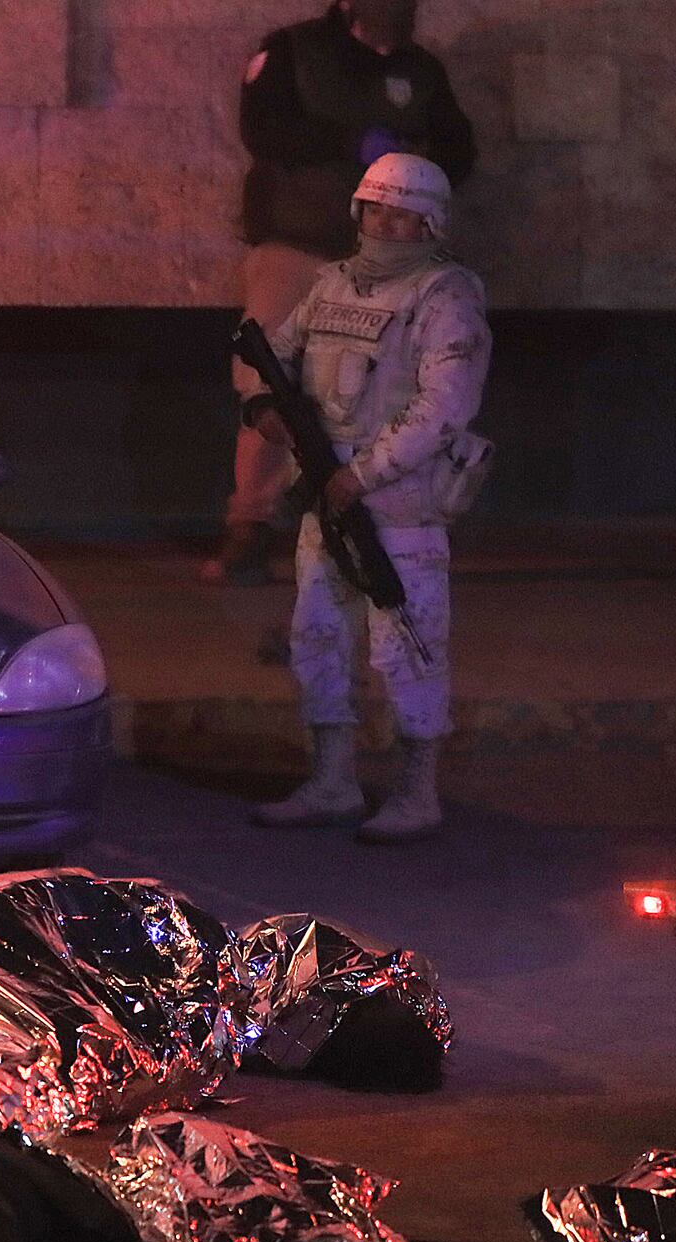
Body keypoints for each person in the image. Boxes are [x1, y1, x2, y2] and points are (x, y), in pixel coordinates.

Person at [245, 153, 494, 843]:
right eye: (377, 208)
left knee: (408, 644)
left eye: (405, 213)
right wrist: (265, 408)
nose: (388, 223)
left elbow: (444, 407)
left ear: (431, 224)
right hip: (327, 493)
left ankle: (418, 793)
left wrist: (366, 473)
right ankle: (332, 782)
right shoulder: (331, 287)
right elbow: (278, 354)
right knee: (318, 636)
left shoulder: (445, 296)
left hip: (399, 500)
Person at [209, 0, 476, 586]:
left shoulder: (420, 69)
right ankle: (251, 524)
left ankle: (371, 525)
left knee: (385, 393)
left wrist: (411, 169)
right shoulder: (294, 52)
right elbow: (265, 129)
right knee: (269, 388)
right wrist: (356, 143)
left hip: (384, 262)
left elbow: (459, 150)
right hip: (297, 245)